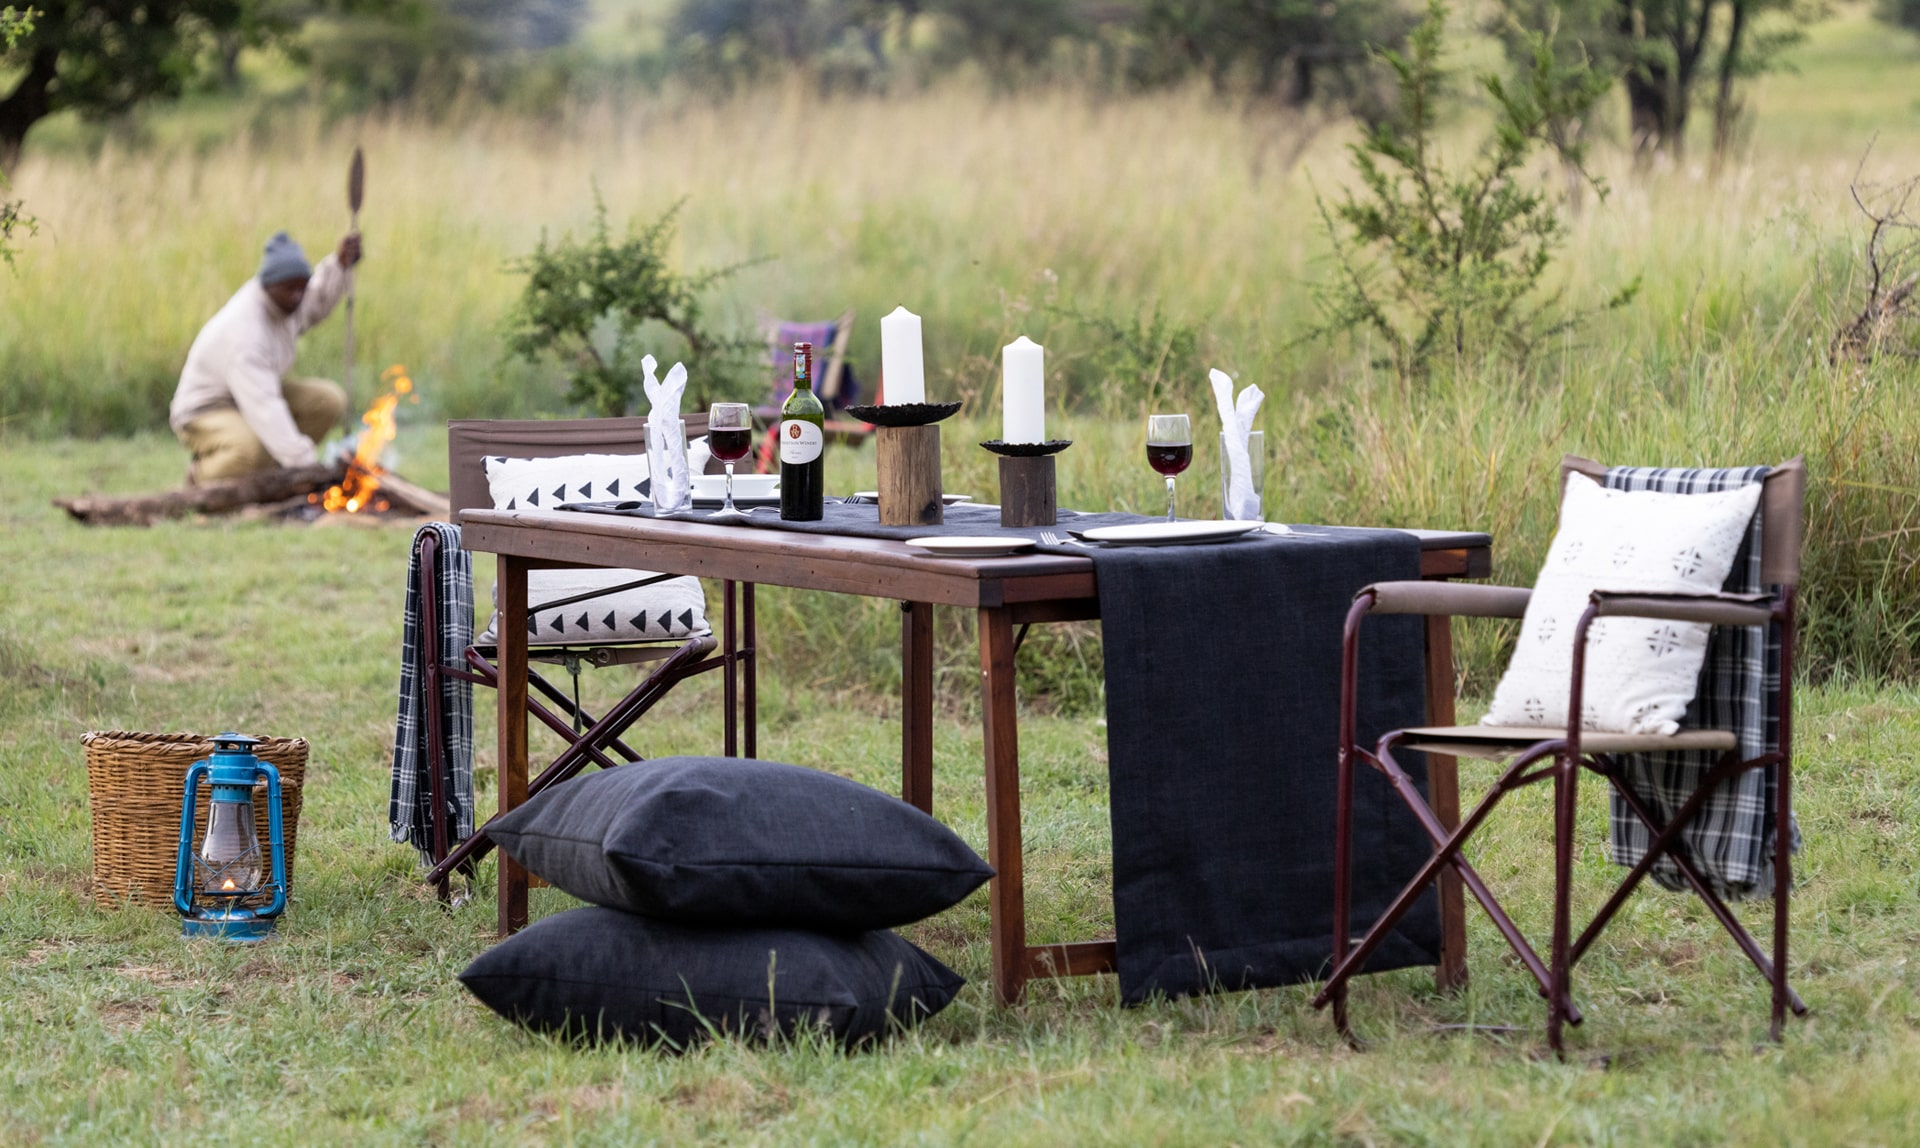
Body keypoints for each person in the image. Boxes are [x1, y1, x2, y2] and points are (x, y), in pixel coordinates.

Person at [169, 230, 364, 482]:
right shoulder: (246, 334)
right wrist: (306, 465)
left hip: (252, 394)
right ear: (268, 285)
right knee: (249, 450)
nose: (297, 296)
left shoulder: (288, 300)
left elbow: (316, 301)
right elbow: (266, 409)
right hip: (207, 409)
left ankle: (274, 477)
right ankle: (200, 479)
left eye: (301, 288)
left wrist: (340, 265)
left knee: (327, 401)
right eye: (290, 289)